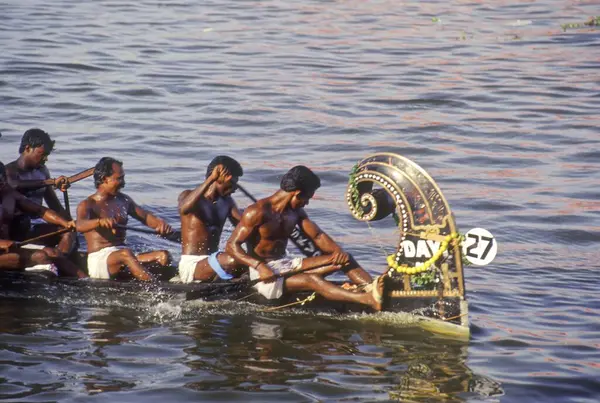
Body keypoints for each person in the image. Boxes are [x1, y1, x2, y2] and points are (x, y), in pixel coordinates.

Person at [226, 165, 385, 311]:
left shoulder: (296, 212)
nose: (307, 203)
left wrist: (338, 253)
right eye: (307, 198)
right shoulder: (257, 211)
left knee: (344, 259)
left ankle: (372, 289)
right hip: (265, 274)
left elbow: (318, 236)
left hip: (287, 264)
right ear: (296, 193)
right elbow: (232, 246)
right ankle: (367, 300)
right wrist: (260, 266)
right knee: (312, 280)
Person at [76, 157, 173, 281]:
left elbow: (145, 217)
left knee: (163, 256)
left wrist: (159, 224)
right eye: (119, 179)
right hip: (100, 259)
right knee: (126, 254)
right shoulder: (88, 204)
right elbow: (80, 225)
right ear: (104, 179)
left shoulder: (124, 200)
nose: (123, 183)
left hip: (123, 255)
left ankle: (168, 284)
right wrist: (99, 222)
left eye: (123, 177)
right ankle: (156, 289)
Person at [0, 161, 82, 276]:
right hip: (3, 247)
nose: (1, 187)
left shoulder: (8, 193)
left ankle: (86, 280)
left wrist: (65, 223)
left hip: (11, 246)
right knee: (41, 256)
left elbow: (40, 211)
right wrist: (3, 244)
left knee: (52, 253)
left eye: (2, 183)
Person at [5, 129, 76, 256]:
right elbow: (15, 185)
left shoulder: (42, 171)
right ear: (27, 148)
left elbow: (54, 205)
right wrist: (51, 182)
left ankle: (60, 261)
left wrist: (71, 223)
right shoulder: (9, 171)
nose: (46, 159)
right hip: (18, 227)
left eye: (47, 155)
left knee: (68, 232)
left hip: (39, 223)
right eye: (42, 154)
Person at [177, 156, 245, 283]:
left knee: (247, 259)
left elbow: (245, 226)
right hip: (192, 265)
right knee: (234, 260)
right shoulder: (188, 195)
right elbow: (183, 209)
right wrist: (211, 179)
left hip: (213, 260)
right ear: (218, 178)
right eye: (233, 182)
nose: (235, 188)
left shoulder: (227, 202)